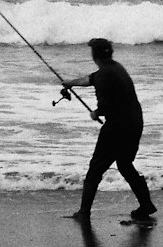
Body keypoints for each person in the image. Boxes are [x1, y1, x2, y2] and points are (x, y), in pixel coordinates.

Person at [62, 38, 156, 221]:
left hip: (117, 127)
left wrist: (96, 113)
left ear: (94, 55)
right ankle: (146, 205)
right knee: (125, 165)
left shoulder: (105, 74)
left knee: (95, 169)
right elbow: (92, 79)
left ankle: (83, 212)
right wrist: (71, 83)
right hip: (135, 123)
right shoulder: (116, 68)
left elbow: (106, 106)